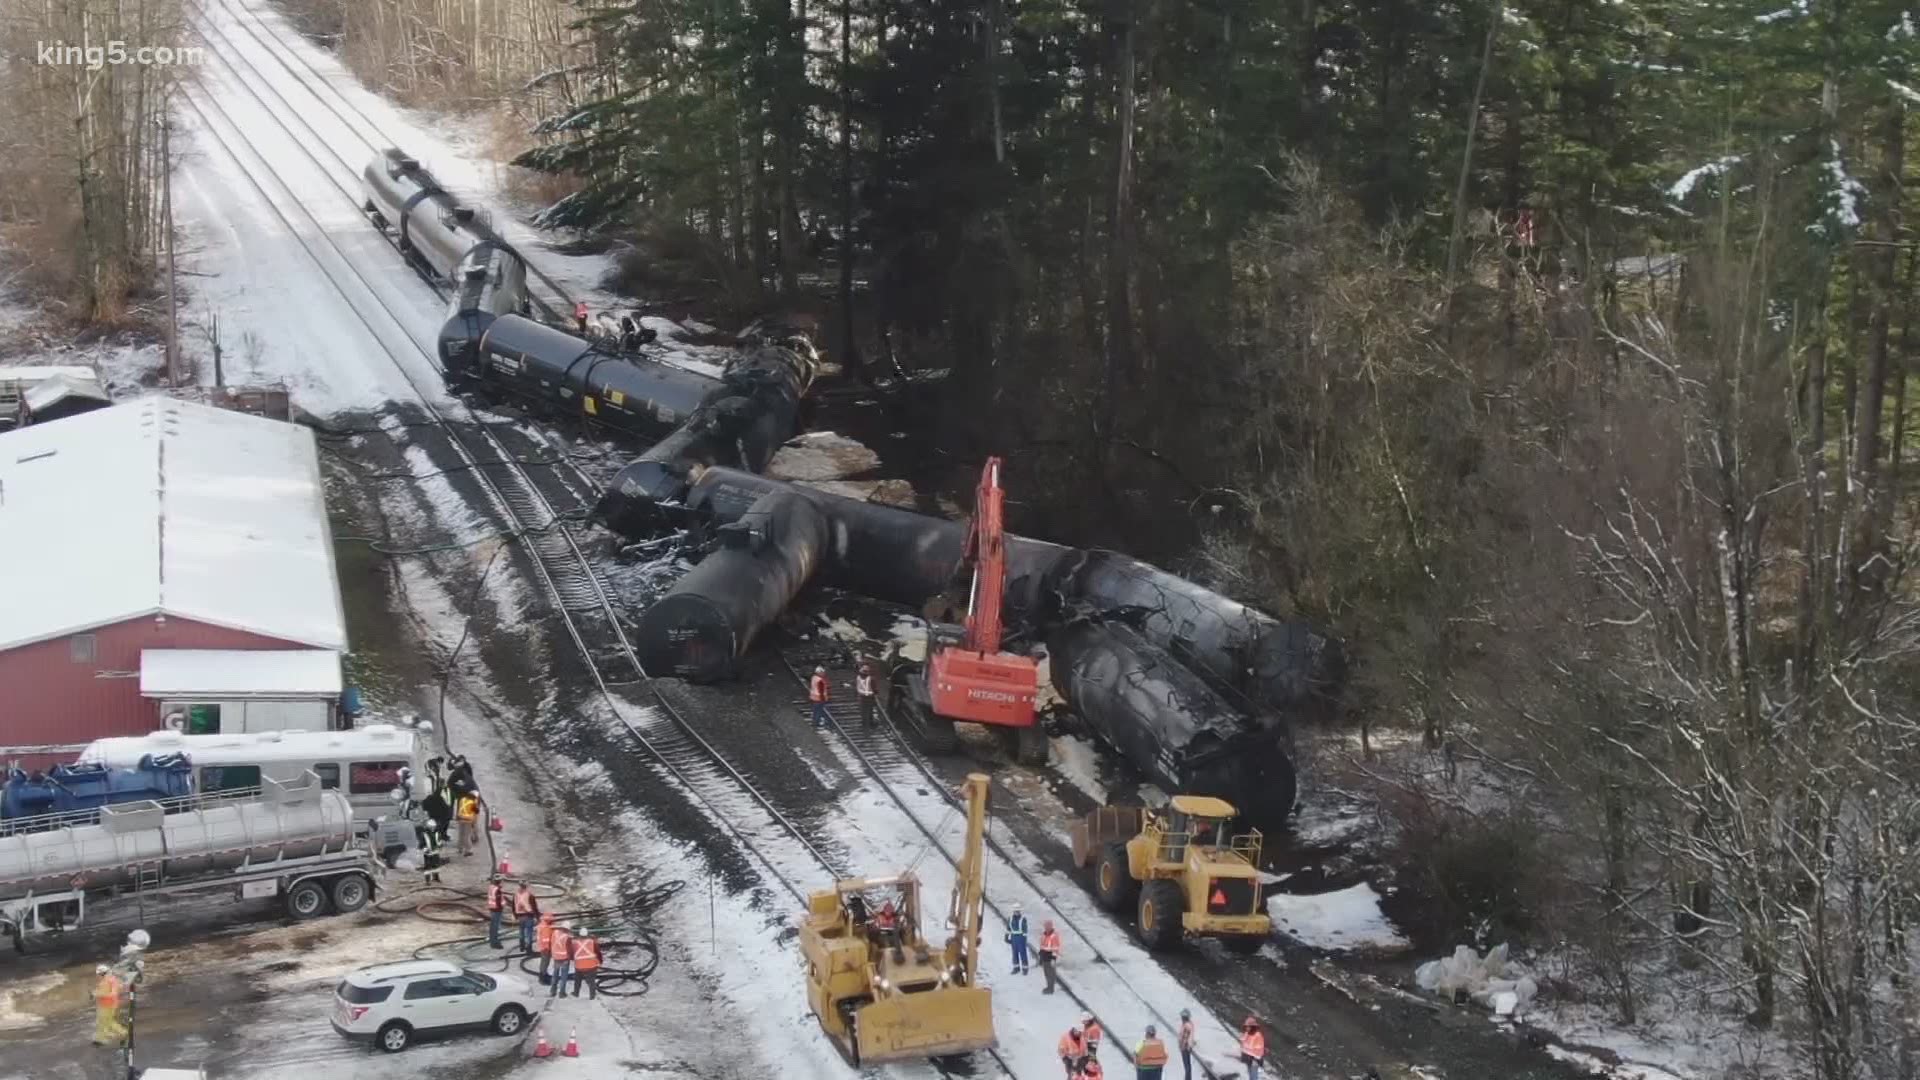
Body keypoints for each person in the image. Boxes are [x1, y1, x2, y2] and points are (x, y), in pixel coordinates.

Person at [92, 964, 126, 1047]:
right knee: (105, 1021)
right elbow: (101, 990)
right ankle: (101, 1038)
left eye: (99, 974)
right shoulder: (106, 980)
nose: (98, 975)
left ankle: (100, 1039)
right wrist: (95, 993)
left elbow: (112, 993)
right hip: (104, 1005)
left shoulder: (110, 980)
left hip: (109, 1005)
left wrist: (99, 994)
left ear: (102, 973)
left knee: (106, 1022)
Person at [570, 924, 601, 998]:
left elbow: (571, 953)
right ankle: (592, 995)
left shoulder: (574, 942)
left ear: (579, 934)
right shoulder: (592, 941)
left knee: (577, 980)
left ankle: (576, 993)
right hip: (591, 965)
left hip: (579, 965)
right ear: (587, 934)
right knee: (591, 981)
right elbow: (597, 951)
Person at [547, 922, 574, 998]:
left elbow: (551, 943)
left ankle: (552, 991)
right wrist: (572, 958)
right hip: (564, 958)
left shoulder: (555, 933)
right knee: (563, 977)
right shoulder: (567, 937)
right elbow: (570, 950)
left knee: (555, 975)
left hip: (556, 957)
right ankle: (562, 993)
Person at [514, 880, 541, 951]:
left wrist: (515, 915)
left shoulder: (516, 894)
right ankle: (529, 949)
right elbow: (534, 907)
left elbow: (514, 905)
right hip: (528, 915)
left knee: (521, 932)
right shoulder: (530, 895)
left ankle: (521, 947)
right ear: (526, 886)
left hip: (520, 915)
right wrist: (538, 917)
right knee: (529, 933)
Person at [1038, 919, 1062, 994]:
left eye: (1048, 926)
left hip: (1050, 956)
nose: (1047, 928)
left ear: (1051, 927)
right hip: (1044, 956)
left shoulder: (1054, 936)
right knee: (1046, 973)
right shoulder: (1044, 935)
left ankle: (1051, 988)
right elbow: (1042, 945)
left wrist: (1053, 958)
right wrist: (1041, 955)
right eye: (1046, 926)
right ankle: (1049, 986)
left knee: (1050, 973)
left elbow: (1056, 948)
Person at [1006, 901, 1030, 975]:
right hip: (1014, 937)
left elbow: (1025, 930)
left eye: (1018, 911)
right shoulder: (1010, 918)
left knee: (1023, 953)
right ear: (1013, 911)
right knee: (1014, 953)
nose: (1016, 912)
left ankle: (1025, 969)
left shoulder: (1023, 919)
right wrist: (1006, 936)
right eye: (1015, 911)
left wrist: (1024, 939)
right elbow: (1008, 928)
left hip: (1021, 938)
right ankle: (1016, 968)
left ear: (1020, 911)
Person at [456, 790, 481, 856]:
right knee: (467, 836)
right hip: (468, 820)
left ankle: (460, 848)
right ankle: (468, 850)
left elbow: (459, 808)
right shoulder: (473, 803)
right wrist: (474, 824)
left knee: (461, 834)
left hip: (461, 819)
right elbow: (476, 814)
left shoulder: (462, 799)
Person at [485, 874, 507, 948]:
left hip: (492, 908)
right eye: (502, 881)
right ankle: (495, 943)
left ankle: (492, 941)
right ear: (499, 882)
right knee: (495, 926)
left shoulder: (491, 887)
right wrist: (502, 906)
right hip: (497, 910)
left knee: (492, 926)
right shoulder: (497, 890)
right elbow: (498, 902)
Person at [535, 912, 557, 984]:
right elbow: (546, 939)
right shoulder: (546, 928)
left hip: (542, 947)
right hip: (545, 948)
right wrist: (547, 948)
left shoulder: (542, 925)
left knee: (544, 962)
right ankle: (543, 978)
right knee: (545, 962)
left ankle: (543, 974)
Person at [856, 661, 877, 727]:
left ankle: (865, 724)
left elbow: (857, 687)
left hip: (862, 697)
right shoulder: (872, 678)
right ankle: (871, 723)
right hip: (869, 697)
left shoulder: (859, 678)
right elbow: (875, 688)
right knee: (870, 711)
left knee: (864, 711)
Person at [809, 666, 831, 730]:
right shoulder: (820, 680)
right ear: (820, 673)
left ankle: (814, 722)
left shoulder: (814, 678)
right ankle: (817, 723)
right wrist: (824, 699)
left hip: (814, 698)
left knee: (815, 711)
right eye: (823, 672)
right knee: (819, 711)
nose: (824, 674)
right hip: (819, 698)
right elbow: (821, 691)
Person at [1178, 1009, 1196, 1080]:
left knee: (1187, 1066)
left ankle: (1187, 1078)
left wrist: (1189, 1045)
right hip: (1184, 1046)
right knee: (1187, 1065)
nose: (1181, 1018)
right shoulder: (1187, 1024)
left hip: (1185, 1047)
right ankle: (1188, 1078)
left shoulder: (1187, 1025)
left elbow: (1190, 1036)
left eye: (1182, 1017)